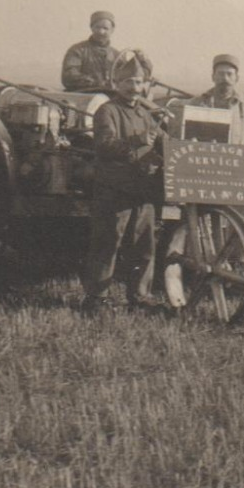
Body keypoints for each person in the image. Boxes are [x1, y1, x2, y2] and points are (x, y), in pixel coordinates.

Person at [82, 50, 164, 314]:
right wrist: (137, 142)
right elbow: (105, 145)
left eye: (139, 82)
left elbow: (161, 139)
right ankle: (96, 299)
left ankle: (140, 296)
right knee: (108, 243)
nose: (134, 88)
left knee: (144, 245)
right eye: (128, 82)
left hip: (143, 188)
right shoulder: (107, 111)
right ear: (117, 84)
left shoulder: (146, 113)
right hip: (114, 189)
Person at [193, 54, 244, 147]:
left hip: (237, 160)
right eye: (221, 74)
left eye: (229, 74)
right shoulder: (198, 103)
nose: (225, 78)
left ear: (237, 78)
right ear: (213, 77)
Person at [61, 11, 121, 92]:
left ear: (112, 30)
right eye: (97, 27)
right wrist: (97, 83)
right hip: (82, 96)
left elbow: (130, 78)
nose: (101, 32)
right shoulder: (78, 50)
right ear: (91, 27)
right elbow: (69, 77)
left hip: (111, 98)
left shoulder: (117, 55)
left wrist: (142, 61)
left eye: (105, 28)